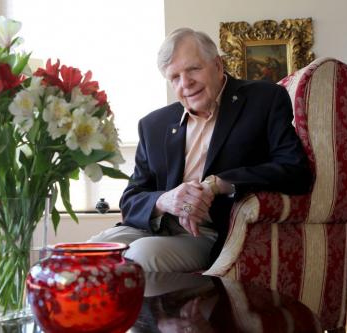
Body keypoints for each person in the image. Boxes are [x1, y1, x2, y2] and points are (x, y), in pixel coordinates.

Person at [89, 28, 312, 272]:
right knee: (84, 256)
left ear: (218, 65)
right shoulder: (154, 125)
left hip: (203, 233)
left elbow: (295, 170)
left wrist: (218, 184)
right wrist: (165, 199)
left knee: (139, 258)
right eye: (175, 77)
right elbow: (131, 201)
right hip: (149, 227)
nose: (186, 84)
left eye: (193, 69)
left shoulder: (263, 100)